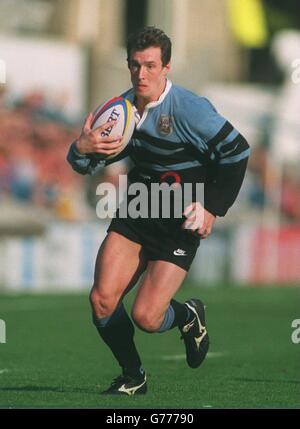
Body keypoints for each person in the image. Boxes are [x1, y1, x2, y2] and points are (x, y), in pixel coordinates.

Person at [67, 26, 250, 395]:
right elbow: (84, 165)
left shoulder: (190, 110)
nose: (141, 74)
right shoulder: (123, 111)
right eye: (135, 66)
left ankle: (188, 315)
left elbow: (238, 152)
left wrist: (213, 207)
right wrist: (82, 148)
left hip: (178, 223)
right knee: (102, 300)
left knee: (147, 317)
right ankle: (133, 376)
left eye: (150, 65)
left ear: (166, 67)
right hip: (138, 210)